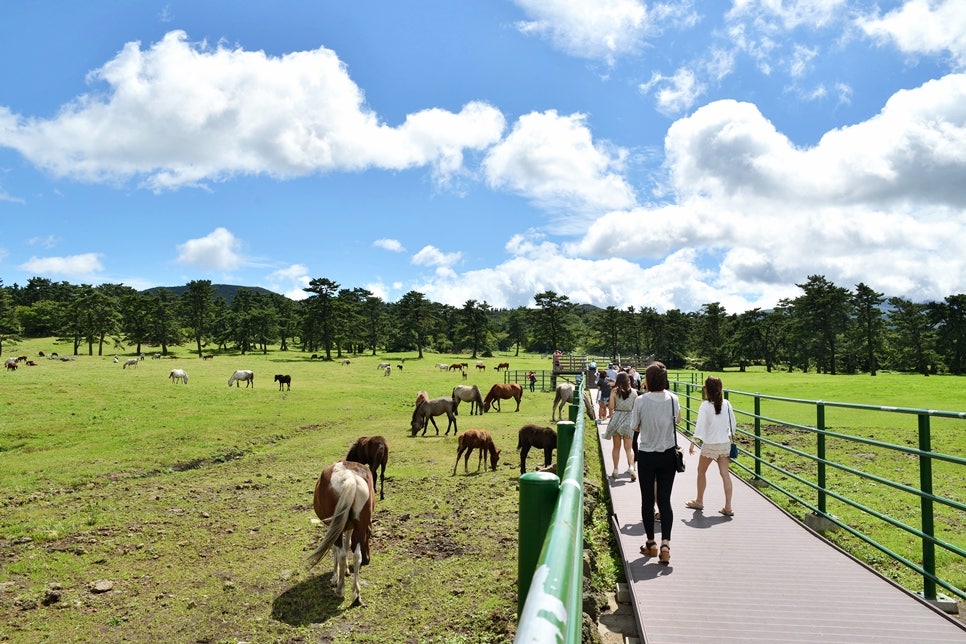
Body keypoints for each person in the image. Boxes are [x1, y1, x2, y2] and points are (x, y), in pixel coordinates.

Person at [630, 362, 681, 565]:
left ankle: (651, 543)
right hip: (668, 454)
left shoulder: (641, 401)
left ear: (648, 380)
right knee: (665, 500)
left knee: (647, 500)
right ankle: (665, 545)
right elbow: (676, 421)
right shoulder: (673, 399)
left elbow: (635, 426)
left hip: (647, 455)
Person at [687, 376, 736, 516]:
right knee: (725, 474)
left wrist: (693, 441)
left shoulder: (705, 405)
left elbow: (701, 425)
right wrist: (729, 435)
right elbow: (733, 423)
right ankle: (728, 507)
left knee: (701, 471)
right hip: (724, 444)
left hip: (710, 444)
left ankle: (699, 501)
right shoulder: (727, 403)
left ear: (707, 389)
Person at [604, 371, 638, 480]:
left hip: (617, 419)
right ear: (628, 380)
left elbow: (611, 407)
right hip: (629, 419)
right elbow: (636, 408)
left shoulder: (614, 391)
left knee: (616, 447)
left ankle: (615, 469)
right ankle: (631, 467)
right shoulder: (634, 392)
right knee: (629, 448)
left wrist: (611, 399)